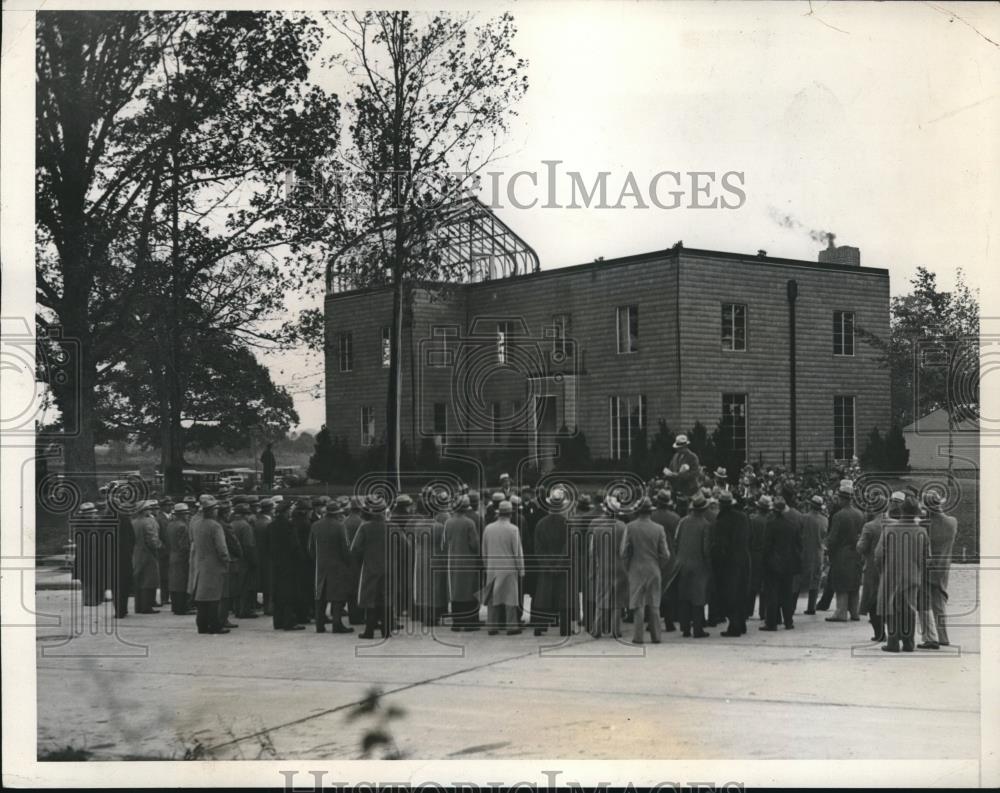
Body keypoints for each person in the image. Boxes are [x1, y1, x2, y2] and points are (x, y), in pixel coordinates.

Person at [876, 493, 930, 653]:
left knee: (891, 608)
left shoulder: (889, 529)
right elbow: (927, 558)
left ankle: (893, 642)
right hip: (913, 575)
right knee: (909, 609)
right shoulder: (922, 532)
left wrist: (882, 571)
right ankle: (908, 642)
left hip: (891, 574)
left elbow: (878, 555)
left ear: (901, 510)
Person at [620, 496, 670, 644]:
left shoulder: (630, 527)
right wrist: (659, 565)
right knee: (654, 603)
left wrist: (627, 566)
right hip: (653, 568)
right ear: (650, 512)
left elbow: (623, 551)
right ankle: (656, 636)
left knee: (637, 605)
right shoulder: (659, 529)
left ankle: (638, 637)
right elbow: (666, 554)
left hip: (636, 568)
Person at [858, 492, 900, 642]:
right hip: (892, 567)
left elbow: (861, 548)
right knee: (890, 599)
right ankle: (892, 632)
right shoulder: (895, 524)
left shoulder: (869, 526)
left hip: (872, 568)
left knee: (872, 600)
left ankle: (879, 633)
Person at [918, 491, 958, 649]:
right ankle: (943, 636)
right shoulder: (952, 522)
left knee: (924, 603)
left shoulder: (924, 525)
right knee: (940, 602)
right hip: (944, 567)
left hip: (927, 568)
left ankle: (929, 637)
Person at [532, 489, 573, 636]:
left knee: (543, 597)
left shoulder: (540, 524)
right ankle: (565, 629)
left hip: (546, 566)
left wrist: (547, 565)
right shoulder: (567, 524)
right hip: (562, 567)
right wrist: (559, 564)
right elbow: (568, 547)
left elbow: (538, 548)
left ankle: (539, 627)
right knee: (563, 598)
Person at [309, 500, 354, 633]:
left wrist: (317, 560)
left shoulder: (315, 526)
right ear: (337, 514)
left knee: (320, 594)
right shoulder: (340, 526)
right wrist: (348, 563)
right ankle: (337, 623)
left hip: (321, 564)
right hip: (337, 565)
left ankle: (320, 624)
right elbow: (345, 548)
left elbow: (310, 547)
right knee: (337, 595)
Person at [189, 497, 232, 635]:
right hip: (214, 565)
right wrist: (226, 560)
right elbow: (221, 548)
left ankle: (201, 625)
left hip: (200, 563)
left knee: (202, 596)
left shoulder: (196, 524)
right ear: (212, 511)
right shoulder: (215, 526)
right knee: (214, 597)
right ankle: (215, 625)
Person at [481, 500, 525, 635]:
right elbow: (517, 552)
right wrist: (521, 569)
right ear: (510, 514)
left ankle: (492, 626)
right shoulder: (513, 529)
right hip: (508, 567)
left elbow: (484, 551)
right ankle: (511, 626)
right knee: (510, 598)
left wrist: (486, 565)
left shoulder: (488, 528)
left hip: (492, 567)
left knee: (493, 598)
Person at [351, 496, 392, 639]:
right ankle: (386, 630)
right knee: (385, 598)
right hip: (389, 568)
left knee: (370, 600)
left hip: (370, 567)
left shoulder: (365, 527)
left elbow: (356, 548)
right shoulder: (391, 527)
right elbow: (405, 545)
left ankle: (369, 630)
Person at [674, 492, 713, 638]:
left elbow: (676, 541)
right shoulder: (705, 525)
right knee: (698, 597)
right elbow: (706, 549)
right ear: (703, 509)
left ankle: (685, 628)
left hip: (682, 563)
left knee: (684, 596)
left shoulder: (683, 522)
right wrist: (709, 566)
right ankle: (698, 629)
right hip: (699, 565)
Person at [825, 480, 865, 623]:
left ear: (842, 499)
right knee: (854, 583)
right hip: (856, 553)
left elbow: (833, 538)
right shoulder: (860, 514)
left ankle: (841, 612)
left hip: (841, 554)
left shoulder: (839, 516)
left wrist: (828, 551)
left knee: (841, 583)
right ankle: (855, 612)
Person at [588, 497, 628, 638]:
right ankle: (616, 630)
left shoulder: (598, 530)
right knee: (618, 601)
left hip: (603, 568)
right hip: (620, 568)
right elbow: (625, 550)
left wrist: (592, 571)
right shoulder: (623, 527)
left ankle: (597, 629)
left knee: (601, 599)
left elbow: (592, 552)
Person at [760, 496, 802, 631]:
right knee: (787, 594)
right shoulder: (792, 525)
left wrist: (764, 561)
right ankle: (788, 621)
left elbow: (766, 546)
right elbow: (798, 545)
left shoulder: (771, 524)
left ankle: (771, 623)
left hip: (773, 564)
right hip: (788, 564)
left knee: (772, 594)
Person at [714, 491, 751, 637]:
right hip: (744, 557)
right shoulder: (743, 517)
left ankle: (734, 626)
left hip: (729, 561)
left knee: (730, 593)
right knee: (741, 591)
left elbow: (720, 544)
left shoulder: (722, 520)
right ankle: (741, 623)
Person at [443, 495, 482, 631]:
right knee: (469, 591)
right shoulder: (469, 523)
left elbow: (445, 541)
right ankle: (470, 622)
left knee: (456, 591)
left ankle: (457, 622)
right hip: (468, 561)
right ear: (466, 508)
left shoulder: (448, 522)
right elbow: (474, 544)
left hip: (453, 560)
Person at [410, 497, 448, 628]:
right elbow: (444, 544)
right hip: (436, 557)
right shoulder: (439, 527)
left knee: (423, 586)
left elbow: (416, 541)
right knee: (435, 587)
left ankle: (424, 615)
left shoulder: (418, 526)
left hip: (421, 557)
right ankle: (434, 616)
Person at [268, 500, 305, 631]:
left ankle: (277, 621)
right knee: (289, 593)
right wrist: (300, 560)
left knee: (277, 592)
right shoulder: (289, 526)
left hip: (275, 563)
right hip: (289, 564)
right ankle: (289, 621)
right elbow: (295, 546)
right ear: (285, 512)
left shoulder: (271, 526)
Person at [651, 490, 681, 631]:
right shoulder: (675, 518)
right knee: (668, 590)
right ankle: (669, 621)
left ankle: (652, 622)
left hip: (652, 557)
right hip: (670, 558)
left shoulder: (651, 517)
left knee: (652, 590)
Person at [71, 502, 107, 607]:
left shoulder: (88, 524)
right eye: (90, 514)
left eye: (93, 513)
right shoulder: (83, 525)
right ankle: (90, 600)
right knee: (88, 579)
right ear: (84, 515)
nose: (93, 515)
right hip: (88, 556)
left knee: (91, 578)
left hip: (90, 555)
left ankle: (93, 599)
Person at [131, 500, 163, 614]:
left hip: (136, 553)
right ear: (144, 511)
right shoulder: (148, 522)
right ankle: (147, 606)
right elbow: (152, 540)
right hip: (148, 554)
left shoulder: (133, 522)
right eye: (148, 509)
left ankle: (138, 606)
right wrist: (159, 546)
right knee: (149, 581)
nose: (150, 510)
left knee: (139, 580)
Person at [800, 494, 828, 614]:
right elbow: (824, 536)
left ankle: (791, 606)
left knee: (798, 580)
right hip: (818, 552)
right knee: (815, 580)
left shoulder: (803, 518)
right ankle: (811, 607)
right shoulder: (824, 520)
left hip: (804, 551)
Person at [230, 503, 258, 619]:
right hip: (244, 560)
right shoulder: (245, 526)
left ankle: (236, 609)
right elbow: (248, 545)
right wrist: (253, 561)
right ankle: (244, 610)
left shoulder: (231, 524)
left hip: (233, 560)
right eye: (247, 514)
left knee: (236, 586)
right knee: (245, 586)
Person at [663, 434, 700, 515]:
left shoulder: (693, 457)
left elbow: (695, 473)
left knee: (687, 512)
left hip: (688, 491)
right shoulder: (675, 456)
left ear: (686, 446)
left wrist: (679, 476)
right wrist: (668, 475)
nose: (678, 449)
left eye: (681, 448)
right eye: (678, 448)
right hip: (676, 490)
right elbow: (671, 469)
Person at [167, 502, 193, 615]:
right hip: (182, 557)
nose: (187, 515)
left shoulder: (170, 525)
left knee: (174, 582)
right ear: (182, 514)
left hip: (172, 555)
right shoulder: (183, 526)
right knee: (182, 583)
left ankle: (175, 606)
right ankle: (182, 607)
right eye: (186, 513)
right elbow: (184, 545)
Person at [747, 495, 771, 620]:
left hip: (753, 553)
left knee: (751, 583)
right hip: (766, 554)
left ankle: (748, 610)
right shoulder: (770, 521)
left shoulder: (752, 519)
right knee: (764, 584)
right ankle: (763, 612)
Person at [344, 496, 366, 625]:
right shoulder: (361, 523)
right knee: (359, 588)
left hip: (347, 559)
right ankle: (359, 615)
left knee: (351, 588)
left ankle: (353, 615)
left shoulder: (345, 521)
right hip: (359, 559)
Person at [253, 498, 274, 615]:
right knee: (269, 583)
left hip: (259, 555)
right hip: (268, 556)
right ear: (270, 509)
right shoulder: (268, 524)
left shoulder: (257, 522)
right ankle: (269, 607)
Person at [155, 497, 173, 606]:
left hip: (170, 550)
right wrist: (162, 547)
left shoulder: (170, 518)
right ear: (162, 507)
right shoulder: (159, 519)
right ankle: (164, 598)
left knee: (169, 575)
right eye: (168, 505)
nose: (170, 507)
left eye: (171, 505)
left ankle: (167, 597)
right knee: (164, 576)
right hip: (164, 551)